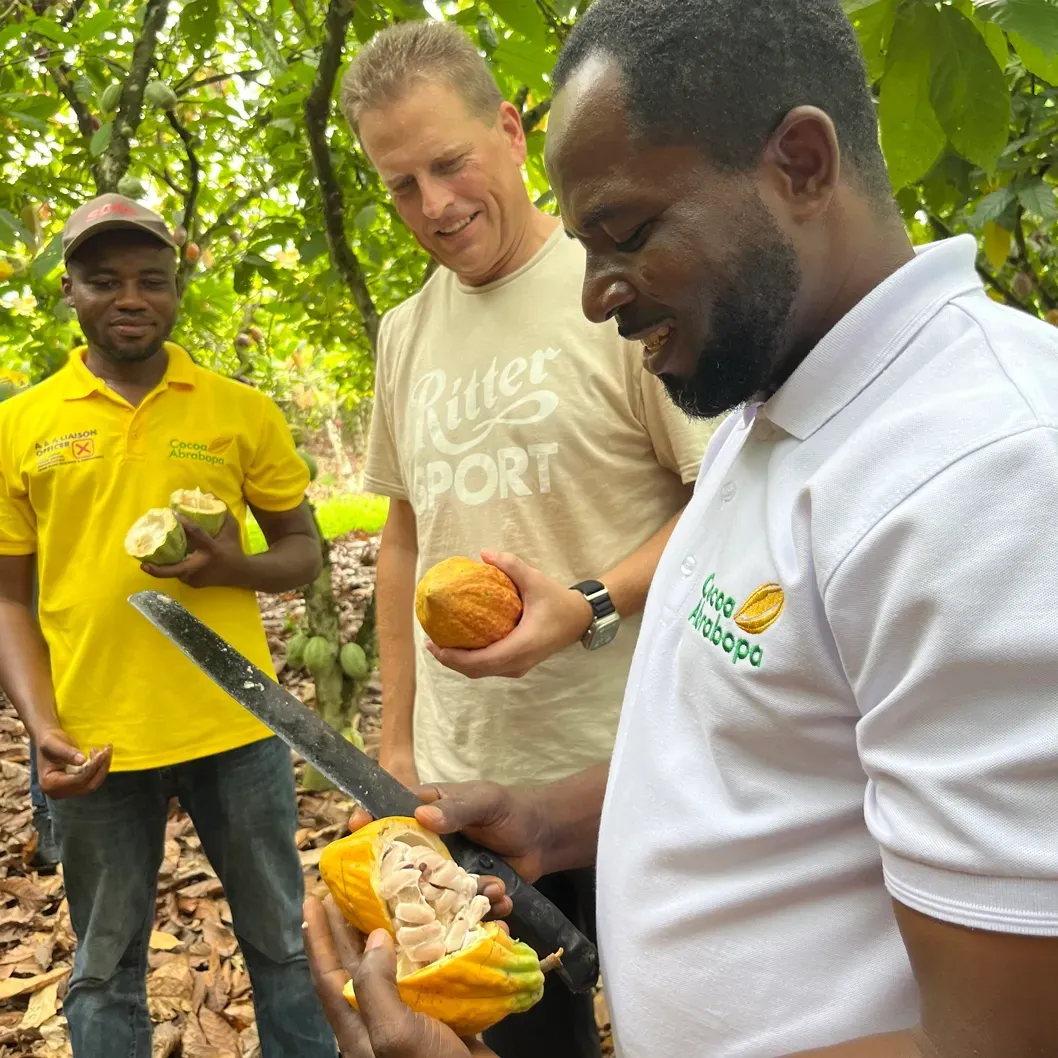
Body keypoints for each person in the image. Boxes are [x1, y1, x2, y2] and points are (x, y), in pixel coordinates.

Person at [303, 1, 1058, 1055]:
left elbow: (997, 1041)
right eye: (582, 244)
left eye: (626, 234)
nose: (594, 295)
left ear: (798, 165)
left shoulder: (988, 478)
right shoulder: (774, 405)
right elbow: (752, 734)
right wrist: (550, 821)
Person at [338, 21, 712, 1058]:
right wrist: (398, 739)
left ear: (508, 130)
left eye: (449, 164)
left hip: (632, 766)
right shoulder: (404, 331)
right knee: (526, 1040)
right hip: (471, 791)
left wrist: (588, 602)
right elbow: (405, 536)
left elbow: (724, 499)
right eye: (400, 184)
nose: (434, 207)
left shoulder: (618, 290)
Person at [0, 194, 337, 1058]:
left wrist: (234, 568)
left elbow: (303, 550)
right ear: (68, 290)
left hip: (235, 723)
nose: (131, 298)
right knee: (105, 965)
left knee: (283, 943)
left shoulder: (237, 409)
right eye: (104, 280)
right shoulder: (21, 425)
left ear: (176, 289)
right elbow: (8, 598)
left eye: (151, 279)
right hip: (94, 737)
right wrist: (43, 731)